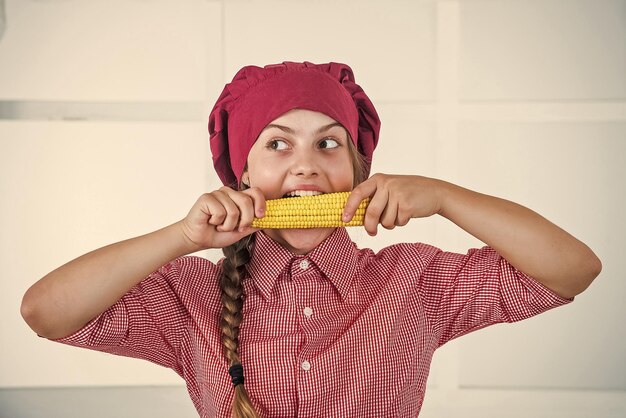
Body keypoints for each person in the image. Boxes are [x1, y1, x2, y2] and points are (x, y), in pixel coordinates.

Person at [21, 61, 602, 418]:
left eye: (328, 144)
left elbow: (573, 268)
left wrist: (446, 196)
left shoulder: (414, 282)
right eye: (277, 144)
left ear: (358, 167)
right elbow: (45, 312)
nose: (306, 167)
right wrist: (178, 236)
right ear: (241, 174)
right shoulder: (192, 295)